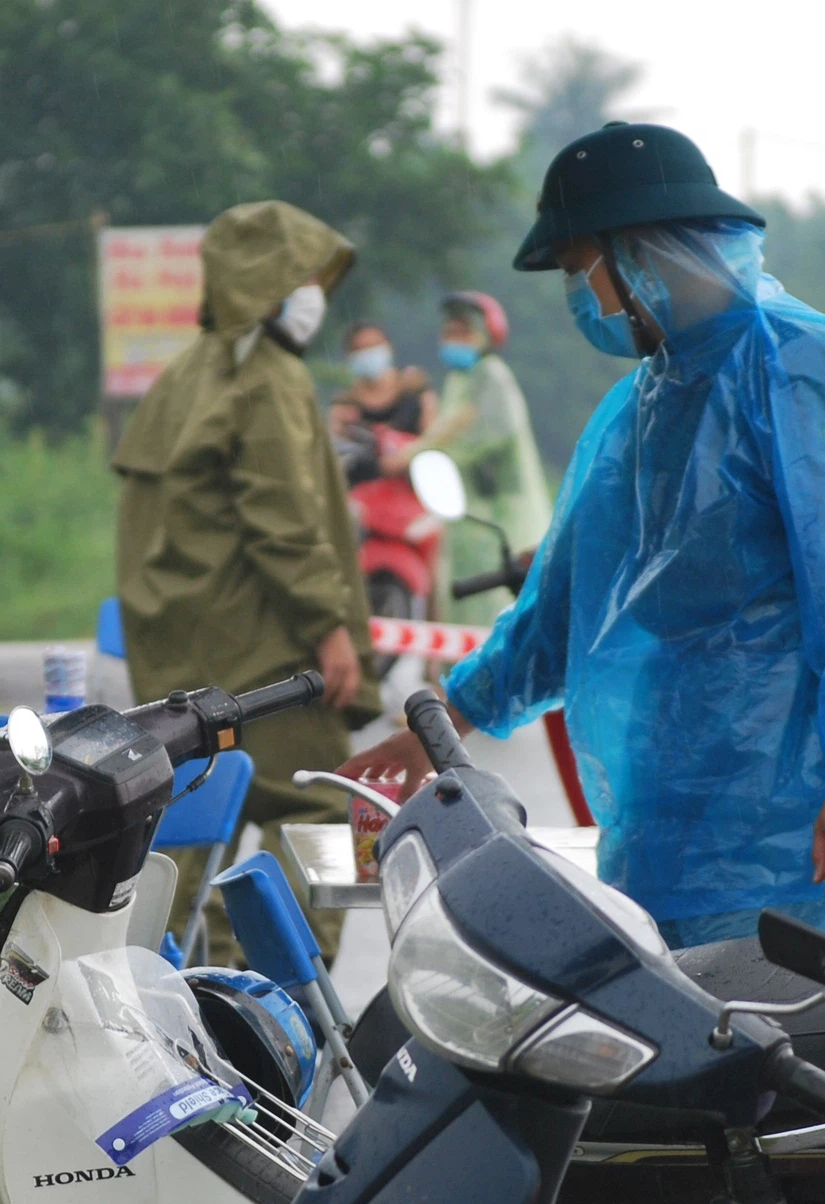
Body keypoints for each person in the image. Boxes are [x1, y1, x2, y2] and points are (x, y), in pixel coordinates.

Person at [343, 122, 825, 949]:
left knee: (780, 1053)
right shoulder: (645, 405)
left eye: (583, 271)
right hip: (663, 819)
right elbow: (566, 602)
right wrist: (446, 718)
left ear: (641, 251)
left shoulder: (803, 369)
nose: (583, 299)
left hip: (788, 831)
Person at [113, 200, 382, 965]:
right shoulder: (269, 378)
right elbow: (286, 518)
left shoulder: (184, 374)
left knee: (202, 817)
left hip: (182, 655)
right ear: (270, 283)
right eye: (302, 278)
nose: (313, 296)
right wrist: (331, 627)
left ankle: (199, 980)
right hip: (260, 650)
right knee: (331, 804)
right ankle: (290, 1000)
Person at [394, 292, 554, 627]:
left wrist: (411, 456)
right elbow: (444, 430)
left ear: (487, 333)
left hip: (504, 518)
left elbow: (474, 438)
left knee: (499, 614)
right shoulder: (460, 380)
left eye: (464, 332)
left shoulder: (491, 377)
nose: (454, 341)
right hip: (468, 517)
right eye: (449, 333)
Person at [327, 322, 434, 485]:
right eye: (360, 349)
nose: (368, 354)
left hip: (414, 485)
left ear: (388, 347)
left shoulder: (415, 392)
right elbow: (336, 457)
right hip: (366, 491)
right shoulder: (344, 404)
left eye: (373, 346)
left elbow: (433, 439)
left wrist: (404, 457)